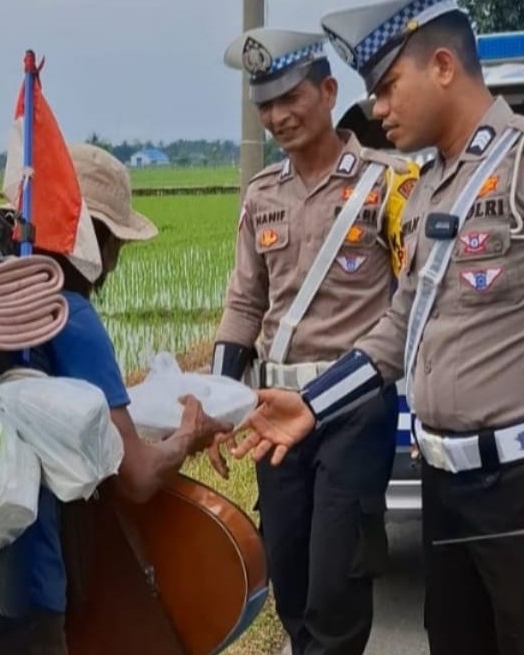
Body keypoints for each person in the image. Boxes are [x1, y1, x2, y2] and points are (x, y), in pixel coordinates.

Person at [230, 3, 524, 654]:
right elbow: (398, 328)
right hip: (444, 484)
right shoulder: (425, 190)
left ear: (442, 66)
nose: (378, 109)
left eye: (387, 87)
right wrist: (310, 407)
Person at [0, 143, 230, 655]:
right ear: (92, 240)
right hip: (16, 601)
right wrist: (189, 435)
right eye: (114, 242)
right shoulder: (64, 312)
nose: (114, 262)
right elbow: (134, 476)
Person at [208, 28, 419, 655]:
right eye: (264, 106)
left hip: (353, 409)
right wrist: (222, 401)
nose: (277, 117)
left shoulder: (389, 184)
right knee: (291, 574)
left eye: (290, 98)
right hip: (275, 411)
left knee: (337, 576)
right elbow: (244, 304)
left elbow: (411, 304)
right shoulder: (261, 197)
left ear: (328, 93)